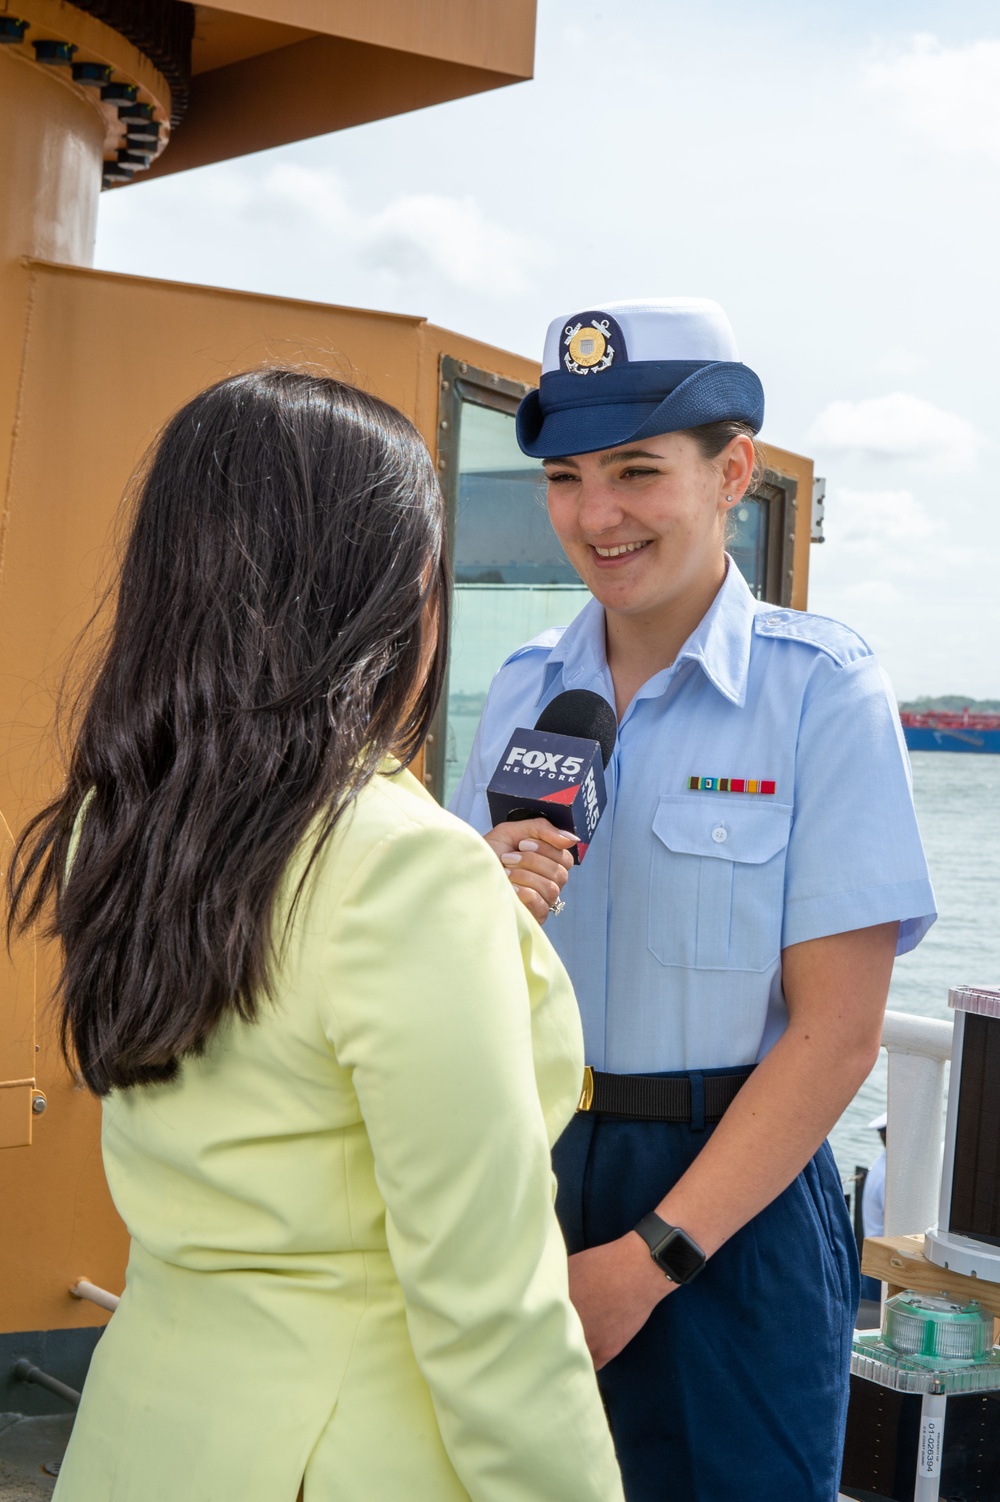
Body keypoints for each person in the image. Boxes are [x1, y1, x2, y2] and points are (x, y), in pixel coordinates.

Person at [7, 370, 625, 1502]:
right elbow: (490, 1304)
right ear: (385, 596)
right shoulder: (406, 865)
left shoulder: (123, 813)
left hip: (147, 1430)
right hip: (346, 1452)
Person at [451, 299, 936, 1502]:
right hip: (527, 1179)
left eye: (635, 471)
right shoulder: (520, 696)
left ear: (732, 473)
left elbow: (839, 1030)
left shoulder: (819, 692)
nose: (595, 514)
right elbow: (445, 975)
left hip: (734, 1207)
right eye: (565, 477)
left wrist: (649, 1258)